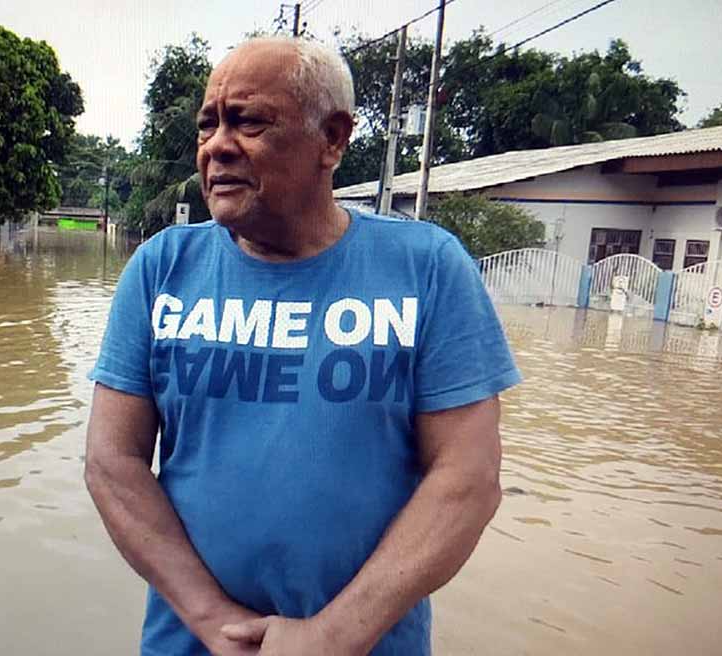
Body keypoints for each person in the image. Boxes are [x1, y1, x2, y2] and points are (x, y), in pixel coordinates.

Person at [84, 36, 521, 656]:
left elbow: (469, 478)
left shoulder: (428, 269)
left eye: (249, 122)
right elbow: (111, 462)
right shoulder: (161, 269)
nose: (217, 146)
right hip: (189, 642)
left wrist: (332, 638)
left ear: (333, 139)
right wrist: (214, 621)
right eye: (208, 124)